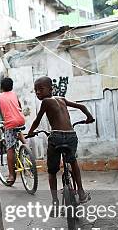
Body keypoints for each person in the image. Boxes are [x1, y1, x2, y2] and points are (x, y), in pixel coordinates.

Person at [26, 77, 94, 206]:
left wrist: (30, 132)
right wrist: (89, 117)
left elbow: (37, 120)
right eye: (36, 91)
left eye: (40, 89)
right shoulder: (62, 99)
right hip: (71, 136)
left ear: (51, 89)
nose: (38, 93)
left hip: (56, 136)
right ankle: (81, 192)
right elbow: (81, 106)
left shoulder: (45, 101)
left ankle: (55, 201)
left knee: (52, 171)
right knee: (73, 161)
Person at [0, 77, 26, 184]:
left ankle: (12, 175)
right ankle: (26, 147)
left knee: (10, 148)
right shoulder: (14, 94)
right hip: (21, 120)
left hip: (11, 123)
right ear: (11, 87)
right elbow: (19, 106)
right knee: (16, 131)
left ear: (1, 87)